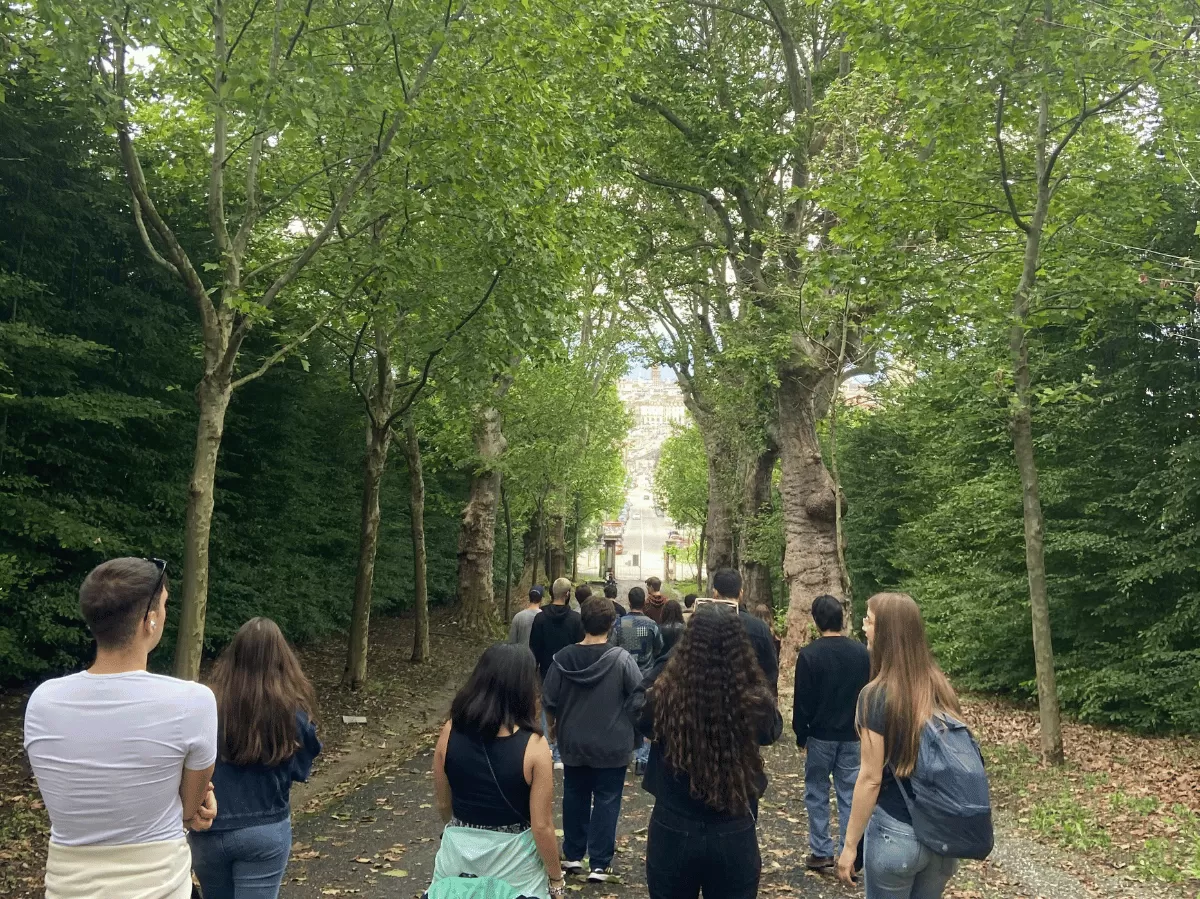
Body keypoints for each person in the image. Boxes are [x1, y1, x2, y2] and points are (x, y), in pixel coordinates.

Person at [23, 557, 218, 899]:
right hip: (160, 888)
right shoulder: (193, 702)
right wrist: (195, 803)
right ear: (150, 621)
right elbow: (190, 808)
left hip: (69, 889)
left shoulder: (43, 702)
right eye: (164, 605)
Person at [637, 607, 782, 899]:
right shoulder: (754, 703)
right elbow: (772, 730)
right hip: (733, 825)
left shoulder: (662, 699)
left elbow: (639, 714)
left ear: (687, 645)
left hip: (673, 825)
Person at [837, 593, 962, 898]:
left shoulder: (875, 695)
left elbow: (870, 777)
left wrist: (850, 845)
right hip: (942, 839)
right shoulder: (941, 687)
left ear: (887, 633)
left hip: (897, 836)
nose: (864, 627)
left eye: (869, 620)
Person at [189, 618, 322, 899]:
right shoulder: (292, 713)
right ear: (282, 659)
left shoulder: (207, 706)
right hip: (265, 831)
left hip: (209, 832)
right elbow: (301, 769)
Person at [431, 644, 565, 899]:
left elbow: (442, 802)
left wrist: (465, 827)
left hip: (457, 861)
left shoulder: (450, 731)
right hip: (514, 869)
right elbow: (541, 826)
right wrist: (556, 877)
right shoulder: (534, 747)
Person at [542, 597, 642, 884]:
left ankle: (573, 855)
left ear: (582, 622)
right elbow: (638, 697)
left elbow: (549, 700)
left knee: (575, 795)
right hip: (612, 743)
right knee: (608, 800)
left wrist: (552, 729)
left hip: (573, 742)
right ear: (612, 624)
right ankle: (600, 863)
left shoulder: (562, 659)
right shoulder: (621, 659)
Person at [793, 595, 871, 871]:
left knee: (816, 791)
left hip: (820, 734)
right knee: (850, 792)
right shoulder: (862, 653)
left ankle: (821, 850)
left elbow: (802, 700)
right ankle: (849, 851)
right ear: (843, 617)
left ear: (816, 621)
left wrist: (800, 733)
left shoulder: (810, 655)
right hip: (854, 734)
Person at [529, 578, 584, 768]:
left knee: (547, 707)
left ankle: (548, 749)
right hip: (570, 672)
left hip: (546, 669)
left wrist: (533, 672)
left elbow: (533, 647)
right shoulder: (576, 619)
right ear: (568, 594)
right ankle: (562, 752)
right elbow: (580, 647)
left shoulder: (540, 617)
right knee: (568, 708)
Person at [609, 587, 663, 775]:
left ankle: (622, 753)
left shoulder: (620, 624)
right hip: (645, 676)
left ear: (629, 602)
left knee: (621, 714)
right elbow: (659, 649)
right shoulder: (652, 625)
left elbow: (612, 648)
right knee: (644, 714)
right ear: (644, 603)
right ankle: (642, 760)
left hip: (622, 674)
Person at [710, 568, 779, 693]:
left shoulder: (700, 625)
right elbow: (771, 673)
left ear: (715, 593)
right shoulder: (759, 628)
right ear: (741, 593)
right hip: (749, 703)